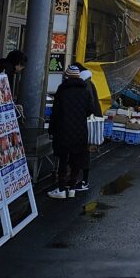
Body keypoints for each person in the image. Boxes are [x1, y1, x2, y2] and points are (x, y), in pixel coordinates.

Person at [48, 65, 94, 199]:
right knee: (76, 159)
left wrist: (51, 130)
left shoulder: (62, 91)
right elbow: (90, 109)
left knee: (63, 158)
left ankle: (61, 189)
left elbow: (55, 113)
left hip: (63, 130)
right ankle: (72, 188)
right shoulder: (85, 90)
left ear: (66, 77)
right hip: (80, 130)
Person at [71, 62, 101, 192]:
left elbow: (88, 105)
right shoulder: (87, 82)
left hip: (85, 123)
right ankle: (79, 179)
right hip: (85, 122)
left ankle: (83, 181)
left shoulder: (85, 84)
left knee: (83, 151)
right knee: (83, 151)